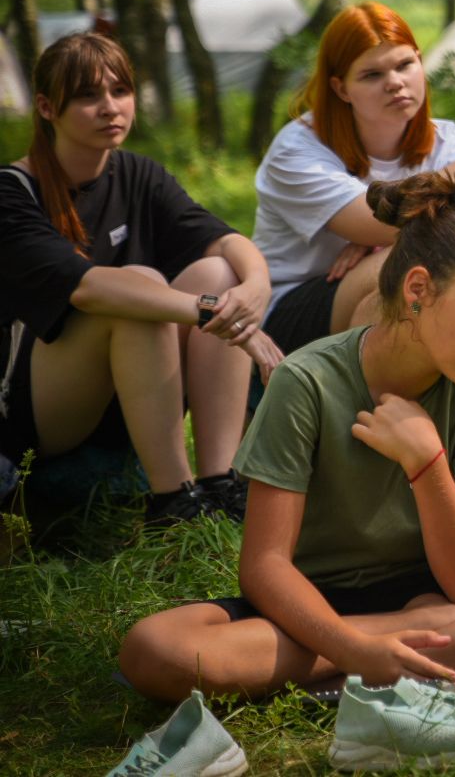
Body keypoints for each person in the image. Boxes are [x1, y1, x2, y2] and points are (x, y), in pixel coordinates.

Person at [116, 173, 455, 715]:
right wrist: (354, 645)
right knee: (156, 649)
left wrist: (426, 462)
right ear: (419, 289)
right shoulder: (307, 381)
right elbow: (264, 568)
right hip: (323, 606)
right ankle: (412, 646)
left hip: (440, 591)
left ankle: (371, 660)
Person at [0, 33, 282, 525]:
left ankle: (219, 483)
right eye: (88, 95)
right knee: (137, 288)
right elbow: (86, 289)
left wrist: (255, 287)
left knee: (217, 270)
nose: (110, 107)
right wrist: (217, 313)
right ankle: (172, 501)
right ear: (46, 107)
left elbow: (222, 240)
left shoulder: (136, 173)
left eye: (120, 91)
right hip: (37, 411)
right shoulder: (12, 192)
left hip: (133, 384)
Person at [252, 1, 455, 358]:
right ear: (341, 88)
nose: (394, 83)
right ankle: (370, 398)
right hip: (291, 311)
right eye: (371, 75)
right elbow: (381, 227)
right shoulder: (298, 149)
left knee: (428, 264)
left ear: (421, 64)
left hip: (376, 280)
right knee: (407, 263)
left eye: (405, 65)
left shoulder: (442, 138)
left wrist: (393, 231)